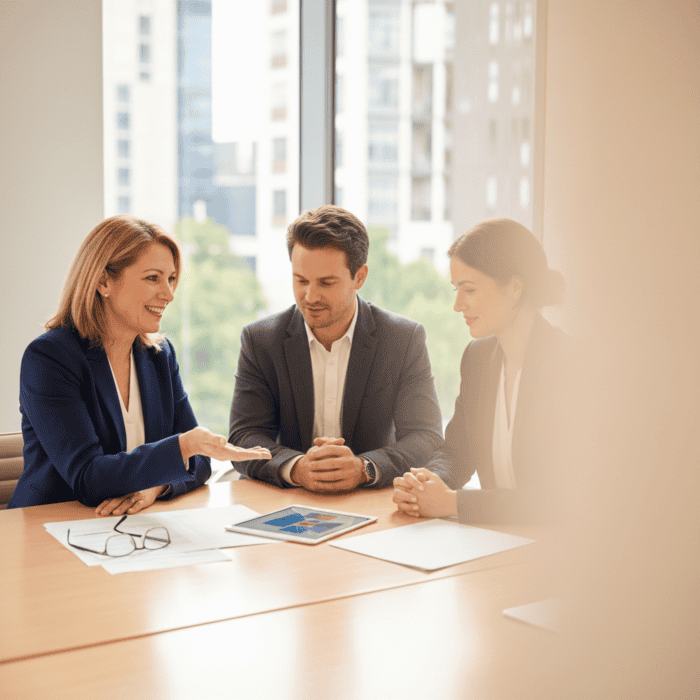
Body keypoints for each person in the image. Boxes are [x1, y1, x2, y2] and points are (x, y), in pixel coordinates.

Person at [8, 216, 270, 512]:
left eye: (171, 279)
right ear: (104, 281)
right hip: (48, 526)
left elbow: (200, 464)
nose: (169, 294)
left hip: (127, 529)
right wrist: (182, 447)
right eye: (152, 278)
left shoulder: (159, 355)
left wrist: (157, 486)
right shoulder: (50, 358)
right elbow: (88, 477)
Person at [228, 204, 443, 492]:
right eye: (300, 280)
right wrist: (295, 467)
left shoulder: (403, 339)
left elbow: (425, 436)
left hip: (373, 501)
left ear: (359, 277)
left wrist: (364, 468)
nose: (310, 296)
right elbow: (244, 435)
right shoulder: (261, 341)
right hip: (287, 501)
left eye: (326, 283)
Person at [393, 218, 571, 523]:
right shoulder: (478, 358)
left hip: (555, 554)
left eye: (469, 290)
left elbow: (559, 497)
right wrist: (426, 483)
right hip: (494, 543)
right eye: (456, 289)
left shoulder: (568, 365)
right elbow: (456, 453)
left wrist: (453, 503)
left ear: (515, 287)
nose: (457, 304)